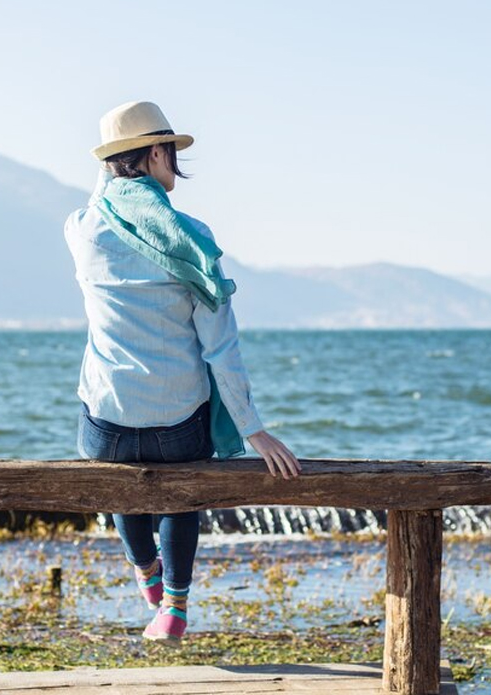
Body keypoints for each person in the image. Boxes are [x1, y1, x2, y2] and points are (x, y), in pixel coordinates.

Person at [64, 100, 301, 647]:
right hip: (178, 421)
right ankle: (173, 605)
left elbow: (99, 198)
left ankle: (146, 574)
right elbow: (221, 348)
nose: (175, 163)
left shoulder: (83, 231)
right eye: (169, 152)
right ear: (154, 152)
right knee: (180, 496)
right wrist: (252, 428)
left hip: (107, 423)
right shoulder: (192, 238)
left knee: (124, 483)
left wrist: (114, 168)